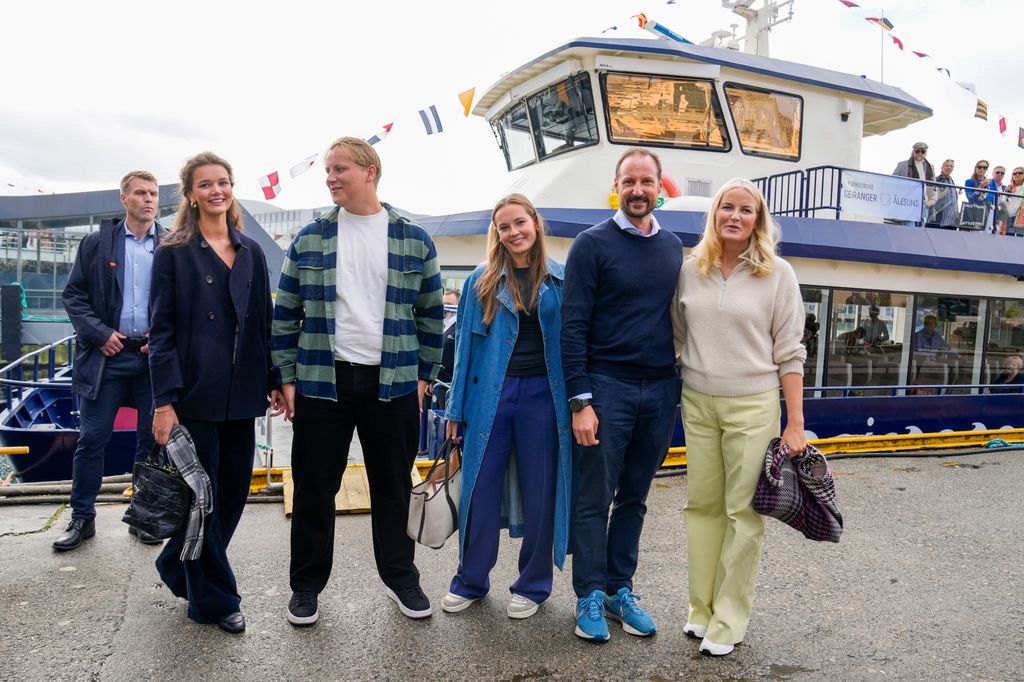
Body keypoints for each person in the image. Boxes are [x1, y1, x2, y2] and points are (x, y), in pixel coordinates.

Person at [272, 137, 444, 627]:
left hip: (392, 383)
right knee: (312, 488)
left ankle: (401, 578)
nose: (330, 177)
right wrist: (286, 378)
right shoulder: (310, 239)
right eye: (327, 170)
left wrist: (423, 378)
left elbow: (431, 316)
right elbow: (285, 314)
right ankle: (305, 588)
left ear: (370, 171)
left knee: (392, 486)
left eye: (339, 169)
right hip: (322, 381)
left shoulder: (413, 239)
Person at [670, 177, 807, 657]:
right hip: (699, 403)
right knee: (702, 509)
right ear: (714, 214)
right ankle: (700, 611)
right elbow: (678, 334)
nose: (735, 216)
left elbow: (791, 353)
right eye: (727, 207)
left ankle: (729, 620)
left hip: (754, 405)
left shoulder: (779, 274)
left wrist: (794, 424)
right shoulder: (692, 269)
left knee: (743, 514)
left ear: (758, 219)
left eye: (745, 210)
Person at [148, 152, 282, 634]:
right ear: (191, 194)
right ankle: (215, 600)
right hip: (194, 395)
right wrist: (163, 403)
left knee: (231, 495)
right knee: (200, 500)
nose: (216, 191)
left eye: (223, 182)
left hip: (242, 394)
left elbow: (263, 325)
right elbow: (160, 332)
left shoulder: (251, 252)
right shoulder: (174, 251)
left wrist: (274, 380)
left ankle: (174, 565)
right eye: (205, 184)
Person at [561, 148, 682, 641]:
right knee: (594, 497)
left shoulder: (674, 247)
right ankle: (588, 594)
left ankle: (619, 589)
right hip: (606, 388)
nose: (638, 190)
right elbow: (573, 328)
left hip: (659, 388)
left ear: (659, 188)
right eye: (629, 181)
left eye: (646, 182)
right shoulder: (590, 245)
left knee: (634, 498)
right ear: (617, 185)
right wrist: (581, 402)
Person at [440, 193, 571, 620]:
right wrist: (454, 411)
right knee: (479, 488)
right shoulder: (483, 279)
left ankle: (532, 585)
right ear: (497, 233)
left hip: (543, 397)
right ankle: (471, 580)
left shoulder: (561, 279)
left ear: (535, 223)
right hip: (489, 396)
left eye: (520, 223)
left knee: (541, 490)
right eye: (504, 227)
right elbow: (463, 353)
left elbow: (574, 346)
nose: (514, 232)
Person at [55, 171, 165, 551]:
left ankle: (143, 516)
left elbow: (181, 302)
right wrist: (100, 334)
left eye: (152, 193)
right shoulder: (98, 243)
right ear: (124, 198)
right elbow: (74, 296)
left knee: (151, 440)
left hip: (152, 358)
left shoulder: (171, 244)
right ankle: (82, 519)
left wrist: (164, 337)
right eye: (140, 193)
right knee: (92, 439)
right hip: (107, 355)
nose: (148, 199)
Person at [892, 142, 936, 224]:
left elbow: (933, 185)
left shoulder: (930, 167)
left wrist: (933, 199)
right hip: (908, 203)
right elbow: (893, 181)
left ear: (926, 153)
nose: (920, 153)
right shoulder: (903, 164)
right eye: (917, 151)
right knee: (910, 230)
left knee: (921, 232)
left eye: (922, 151)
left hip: (924, 203)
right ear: (913, 151)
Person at [433, 289, 460, 410]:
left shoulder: (459, 328)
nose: (446, 308)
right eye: (444, 304)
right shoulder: (441, 325)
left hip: (449, 386)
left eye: (450, 304)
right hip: (436, 384)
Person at [964, 160, 997, 231]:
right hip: (975, 212)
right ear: (975, 168)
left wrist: (984, 197)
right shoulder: (969, 182)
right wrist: (981, 186)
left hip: (989, 211)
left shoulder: (992, 181)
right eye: (980, 167)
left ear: (987, 169)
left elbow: (996, 196)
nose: (982, 169)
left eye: (984, 167)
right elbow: (971, 198)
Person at [928, 159, 959, 228]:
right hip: (937, 219)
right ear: (942, 167)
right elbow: (930, 197)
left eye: (951, 166)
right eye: (947, 165)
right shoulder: (935, 180)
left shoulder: (952, 182)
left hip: (951, 221)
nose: (949, 167)